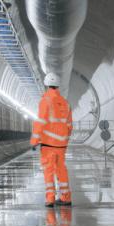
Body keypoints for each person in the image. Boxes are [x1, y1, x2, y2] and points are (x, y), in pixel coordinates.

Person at [31, 72, 72, 207]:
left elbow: (40, 122)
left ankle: (50, 199)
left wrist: (34, 141)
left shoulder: (45, 100)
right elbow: (69, 125)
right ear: (58, 85)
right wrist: (64, 139)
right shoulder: (65, 103)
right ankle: (66, 198)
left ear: (46, 85)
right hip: (61, 145)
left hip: (48, 144)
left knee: (49, 171)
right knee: (61, 170)